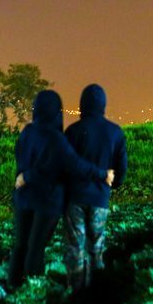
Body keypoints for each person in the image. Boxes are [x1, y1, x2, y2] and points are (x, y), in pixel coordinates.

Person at [8, 89, 113, 288]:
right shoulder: (57, 140)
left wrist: (26, 177)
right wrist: (103, 174)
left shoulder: (27, 132)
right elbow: (76, 165)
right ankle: (31, 292)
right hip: (47, 201)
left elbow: (23, 165)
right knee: (36, 248)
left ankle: (13, 286)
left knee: (20, 246)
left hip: (23, 198)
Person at [62, 83, 128, 291]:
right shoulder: (116, 133)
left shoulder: (72, 132)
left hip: (74, 200)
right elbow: (121, 172)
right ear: (103, 105)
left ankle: (76, 294)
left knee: (75, 249)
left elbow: (65, 166)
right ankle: (98, 292)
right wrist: (112, 183)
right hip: (100, 199)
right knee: (96, 248)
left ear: (82, 105)